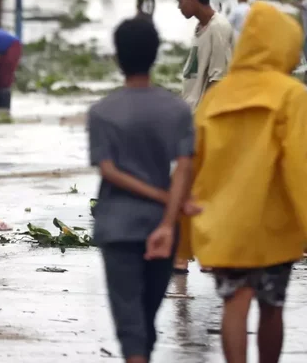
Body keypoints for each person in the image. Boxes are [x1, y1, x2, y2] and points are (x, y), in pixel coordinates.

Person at [178, 1, 307, 363]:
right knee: (271, 306)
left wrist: (185, 234)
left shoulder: (218, 97)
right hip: (273, 227)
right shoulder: (289, 94)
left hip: (223, 225)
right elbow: (306, 166)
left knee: (235, 301)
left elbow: (192, 165)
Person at [88, 18, 195, 363]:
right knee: (146, 319)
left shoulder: (102, 112)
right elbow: (185, 167)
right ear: (156, 55)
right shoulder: (177, 110)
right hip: (161, 227)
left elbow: (109, 171)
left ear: (118, 58)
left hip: (117, 227)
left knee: (131, 324)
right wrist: (168, 207)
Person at [174, 0, 234, 274]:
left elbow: (218, 81)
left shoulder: (218, 28)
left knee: (191, 187)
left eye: (181, 0)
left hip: (206, 121)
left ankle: (190, 254)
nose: (179, 6)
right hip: (192, 117)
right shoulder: (201, 29)